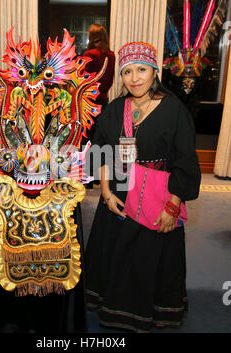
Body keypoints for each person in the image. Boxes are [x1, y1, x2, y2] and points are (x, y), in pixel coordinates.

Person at [85, 42, 201, 333]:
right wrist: (107, 193)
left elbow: (184, 161)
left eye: (141, 69)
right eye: (127, 71)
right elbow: (102, 152)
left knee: (150, 261)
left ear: (154, 71)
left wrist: (172, 207)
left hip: (158, 197)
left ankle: (150, 312)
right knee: (117, 257)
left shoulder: (174, 110)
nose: (134, 78)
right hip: (118, 196)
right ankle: (115, 309)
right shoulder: (114, 110)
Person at [83, 24, 115, 141]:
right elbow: (110, 78)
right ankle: (98, 159)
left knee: (87, 136)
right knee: (100, 136)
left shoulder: (89, 55)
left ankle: (86, 158)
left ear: (91, 36)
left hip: (89, 101)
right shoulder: (111, 55)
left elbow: (83, 80)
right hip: (104, 100)